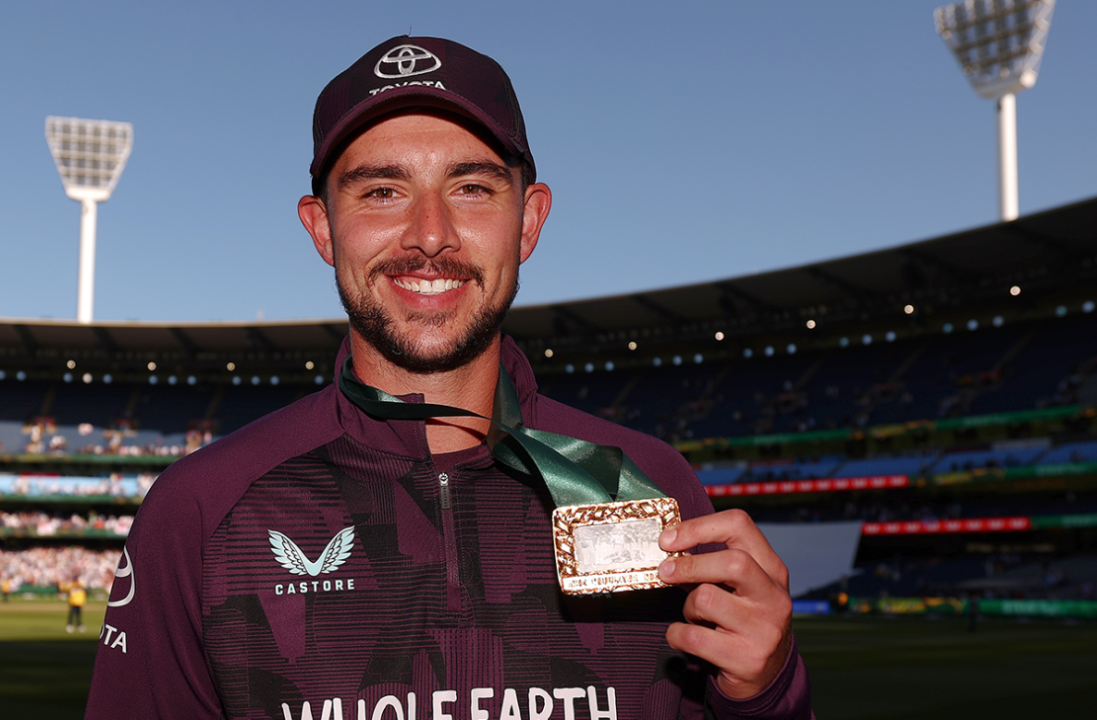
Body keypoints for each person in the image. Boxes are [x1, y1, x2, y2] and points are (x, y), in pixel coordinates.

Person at [86, 36, 811, 720]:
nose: (430, 234)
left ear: (528, 221)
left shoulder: (643, 483)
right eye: (380, 192)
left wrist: (766, 691)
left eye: (471, 188)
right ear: (322, 228)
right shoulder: (202, 511)